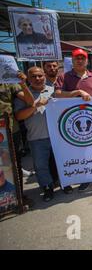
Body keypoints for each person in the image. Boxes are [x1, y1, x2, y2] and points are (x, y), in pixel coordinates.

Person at [15, 67, 72, 201]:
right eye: (34, 76)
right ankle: (47, 188)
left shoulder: (54, 91)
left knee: (61, 161)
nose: (37, 79)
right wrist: (34, 106)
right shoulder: (23, 94)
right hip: (37, 137)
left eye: (40, 76)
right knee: (41, 166)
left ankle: (65, 183)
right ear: (28, 79)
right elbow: (19, 116)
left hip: (58, 136)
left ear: (45, 76)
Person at [55, 48, 92, 192]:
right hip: (72, 123)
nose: (80, 61)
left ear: (87, 61)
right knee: (77, 153)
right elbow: (57, 94)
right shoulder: (64, 77)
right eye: (77, 58)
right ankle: (82, 179)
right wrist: (77, 92)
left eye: (82, 58)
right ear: (73, 61)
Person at [0, 72, 34, 203]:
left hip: (10, 130)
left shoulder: (9, 83)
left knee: (14, 163)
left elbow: (30, 102)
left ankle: (19, 197)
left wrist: (23, 84)